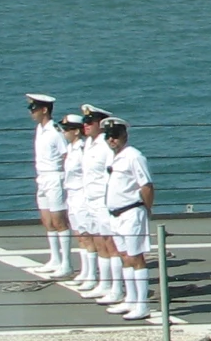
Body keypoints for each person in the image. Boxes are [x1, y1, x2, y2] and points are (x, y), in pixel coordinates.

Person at [99, 117, 155, 321]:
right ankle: (131, 298)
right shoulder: (113, 157)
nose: (111, 140)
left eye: (115, 135)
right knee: (125, 256)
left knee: (136, 257)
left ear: (124, 135)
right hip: (116, 214)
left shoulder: (134, 156)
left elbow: (146, 186)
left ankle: (142, 304)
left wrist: (147, 210)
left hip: (132, 212)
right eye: (108, 136)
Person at [78, 104, 123, 304]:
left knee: (110, 243)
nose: (85, 125)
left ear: (100, 124)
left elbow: (112, 174)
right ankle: (104, 284)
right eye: (85, 122)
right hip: (91, 199)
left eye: (89, 122)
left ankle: (117, 287)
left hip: (104, 200)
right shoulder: (89, 144)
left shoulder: (105, 147)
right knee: (98, 241)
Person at [27, 93, 71, 278]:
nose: (31, 112)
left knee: (59, 220)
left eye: (34, 108)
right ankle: (55, 258)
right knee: (47, 220)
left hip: (55, 176)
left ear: (44, 109)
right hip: (42, 177)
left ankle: (67, 263)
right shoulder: (40, 129)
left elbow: (66, 155)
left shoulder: (55, 131)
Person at [58, 111, 100, 292]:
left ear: (76, 131)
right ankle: (85, 270)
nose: (64, 132)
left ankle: (92, 274)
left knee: (87, 235)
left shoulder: (83, 148)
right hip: (72, 194)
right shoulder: (71, 148)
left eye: (68, 129)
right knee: (79, 235)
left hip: (82, 194)